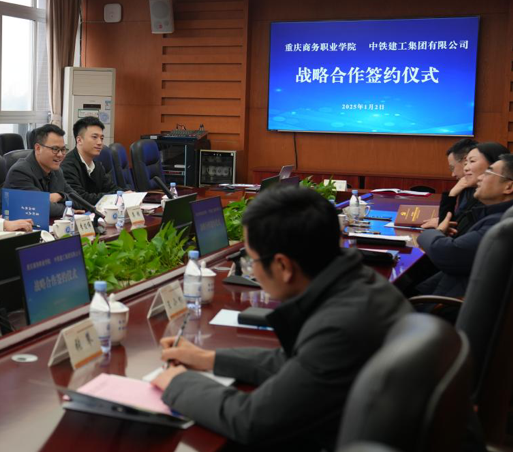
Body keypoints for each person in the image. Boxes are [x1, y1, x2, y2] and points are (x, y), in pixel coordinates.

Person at [151, 186, 412, 451]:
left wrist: (178, 383)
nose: (251, 271)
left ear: (283, 266)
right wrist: (208, 358)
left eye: (251, 261)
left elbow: (250, 420)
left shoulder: (340, 326)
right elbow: (298, 362)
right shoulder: (359, 282)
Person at [416, 153, 513, 297]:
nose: (480, 177)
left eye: (488, 173)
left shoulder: (501, 223)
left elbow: (449, 254)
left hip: (449, 304)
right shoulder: (495, 215)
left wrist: (433, 232)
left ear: (509, 187)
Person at [3, 124, 69, 218]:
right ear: (38, 148)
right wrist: (68, 209)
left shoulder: (56, 171)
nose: (60, 154)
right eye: (55, 149)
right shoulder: (20, 172)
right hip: (16, 225)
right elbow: (40, 207)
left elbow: (77, 199)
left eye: (63, 149)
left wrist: (61, 196)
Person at [61, 116, 120, 206]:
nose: (100, 142)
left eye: (101, 138)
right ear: (79, 140)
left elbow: (112, 188)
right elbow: (81, 199)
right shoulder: (67, 166)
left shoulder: (97, 165)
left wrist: (125, 193)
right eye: (94, 137)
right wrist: (116, 196)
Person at [423, 138, 479, 229]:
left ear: (466, 161)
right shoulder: (465, 185)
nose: (453, 174)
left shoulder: (482, 191)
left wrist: (442, 222)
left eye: (452, 168)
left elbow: (458, 227)